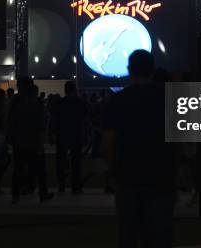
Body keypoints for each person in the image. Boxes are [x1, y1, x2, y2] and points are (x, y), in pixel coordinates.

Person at [102, 50, 175, 248]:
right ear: (152, 70)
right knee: (159, 235)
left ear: (129, 70)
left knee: (128, 234)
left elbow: (108, 140)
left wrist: (112, 169)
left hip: (128, 176)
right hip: (161, 177)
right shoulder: (168, 100)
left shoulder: (118, 100)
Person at [7, 77, 53, 204]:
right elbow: (42, 122)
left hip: (20, 140)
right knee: (40, 170)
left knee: (18, 169)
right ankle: (42, 194)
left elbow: (10, 120)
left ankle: (16, 195)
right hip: (33, 140)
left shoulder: (15, 101)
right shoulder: (37, 102)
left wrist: (10, 138)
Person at [54, 81, 87, 194]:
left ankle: (61, 185)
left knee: (61, 161)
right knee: (76, 162)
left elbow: (55, 119)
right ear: (75, 90)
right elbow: (84, 118)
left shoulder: (60, 102)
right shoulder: (80, 102)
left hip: (62, 134)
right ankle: (76, 186)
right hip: (76, 134)